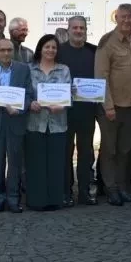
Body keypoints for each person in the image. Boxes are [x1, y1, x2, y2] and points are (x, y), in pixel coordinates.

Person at [96, 4, 131, 206]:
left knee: (125, 150)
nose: (127, 20)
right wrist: (108, 106)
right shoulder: (107, 42)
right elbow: (101, 76)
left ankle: (124, 186)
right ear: (116, 17)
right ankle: (111, 188)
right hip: (112, 107)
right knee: (109, 150)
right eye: (123, 16)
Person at [0, 38, 31, 213]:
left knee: (15, 162)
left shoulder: (23, 69)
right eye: (2, 50)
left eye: (9, 50)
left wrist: (20, 109)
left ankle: (13, 198)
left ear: (13, 52)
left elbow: (29, 95)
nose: (6, 53)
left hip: (15, 121)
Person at [26, 34, 70, 211]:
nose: (50, 50)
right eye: (47, 47)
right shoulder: (29, 69)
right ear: (40, 49)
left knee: (56, 163)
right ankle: (37, 201)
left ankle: (55, 200)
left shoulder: (64, 70)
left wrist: (62, 105)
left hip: (57, 123)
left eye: (54, 47)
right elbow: (25, 93)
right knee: (36, 163)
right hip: (35, 123)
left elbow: (69, 94)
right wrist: (30, 103)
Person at [57, 16, 97, 207]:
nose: (79, 31)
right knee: (65, 152)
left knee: (86, 153)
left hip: (87, 110)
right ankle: (66, 191)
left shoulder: (94, 51)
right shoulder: (59, 51)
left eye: (82, 28)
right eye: (75, 28)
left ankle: (84, 191)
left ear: (86, 30)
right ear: (68, 29)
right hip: (64, 111)